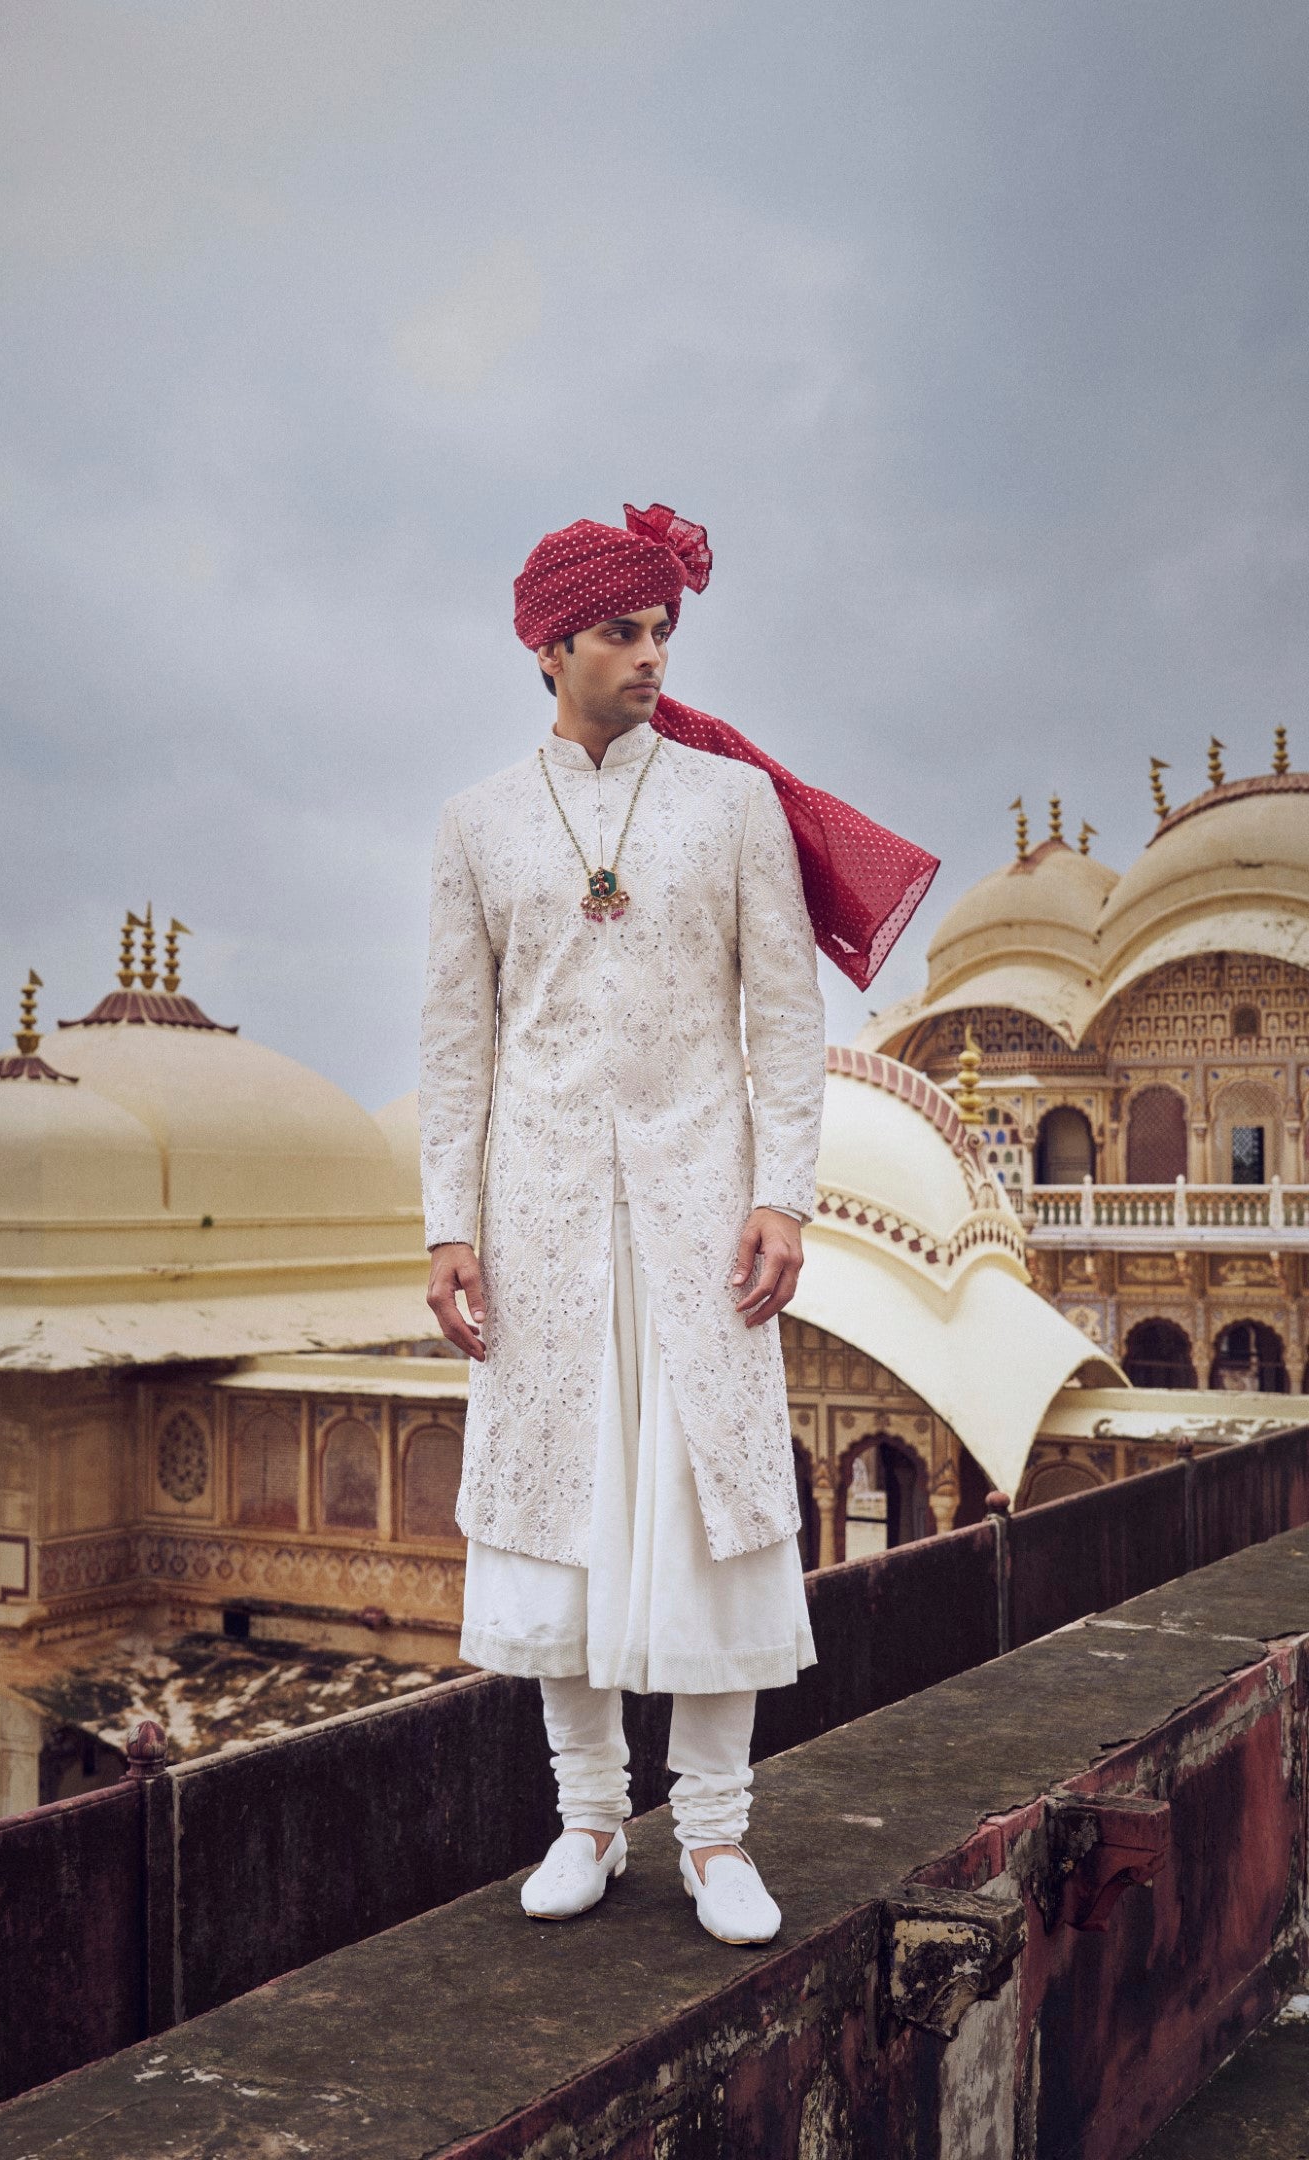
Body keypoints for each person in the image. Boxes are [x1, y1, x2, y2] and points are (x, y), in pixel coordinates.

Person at [419, 504, 936, 1945]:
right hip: (539, 1220)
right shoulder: (478, 825)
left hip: (703, 1213)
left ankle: (714, 1838)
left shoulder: (728, 805)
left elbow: (785, 1015)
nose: (651, 656)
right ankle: (588, 1817)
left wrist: (784, 1196)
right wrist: (446, 1225)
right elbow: (459, 1041)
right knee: (559, 1511)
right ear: (549, 646)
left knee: (714, 1510)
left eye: (662, 631)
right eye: (622, 632)